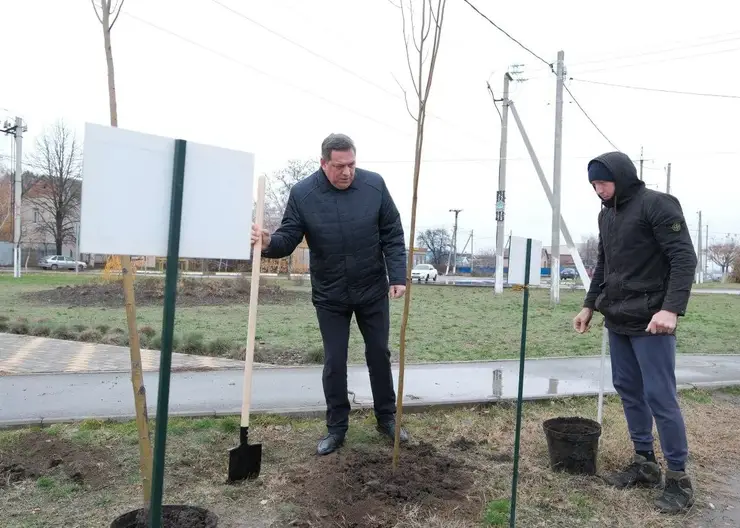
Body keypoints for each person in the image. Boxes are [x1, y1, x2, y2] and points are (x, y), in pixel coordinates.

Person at [251, 133, 409, 456]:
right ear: (324, 163)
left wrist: (397, 275)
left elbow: (393, 231)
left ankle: (387, 418)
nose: (347, 172)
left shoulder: (375, 186)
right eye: (339, 166)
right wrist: (268, 243)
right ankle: (337, 427)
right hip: (330, 295)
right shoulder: (304, 194)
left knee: (378, 353)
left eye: (352, 164)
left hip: (371, 289)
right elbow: (288, 238)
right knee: (335, 360)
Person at [573, 151, 698, 514]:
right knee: (628, 389)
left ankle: (678, 478)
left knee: (661, 396)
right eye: (594, 185)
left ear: (623, 177)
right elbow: (604, 265)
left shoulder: (657, 205)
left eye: (604, 183)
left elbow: (683, 258)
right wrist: (589, 304)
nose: (599, 190)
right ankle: (644, 461)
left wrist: (670, 309)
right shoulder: (606, 215)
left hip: (652, 321)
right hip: (618, 319)